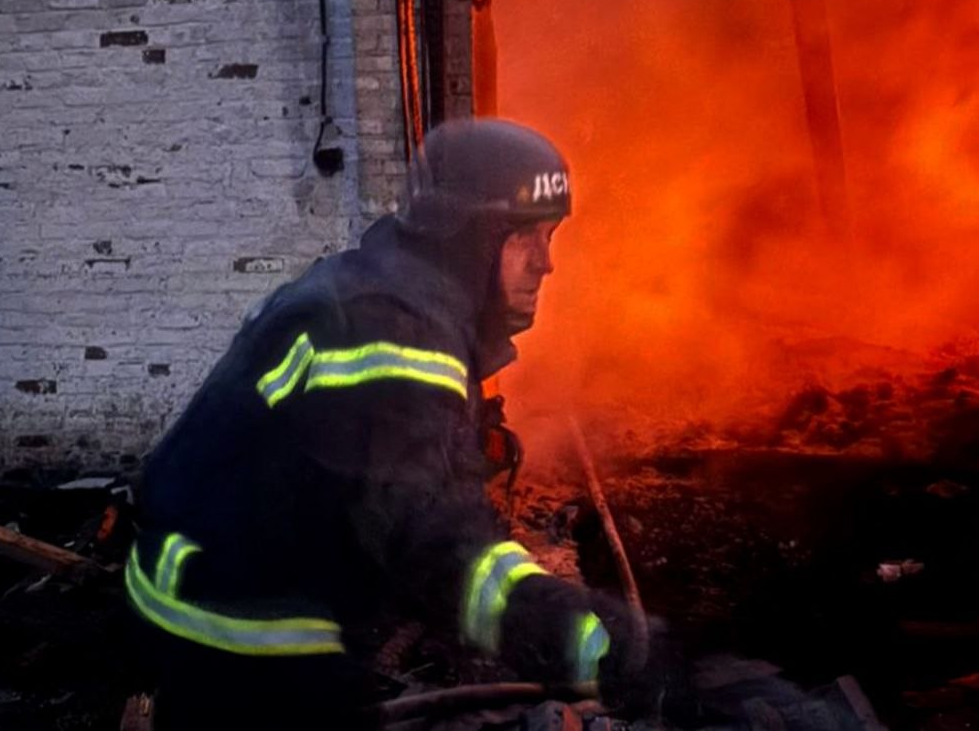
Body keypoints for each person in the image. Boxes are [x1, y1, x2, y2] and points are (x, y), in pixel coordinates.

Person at [125, 118, 645, 728]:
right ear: (472, 238)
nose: (546, 263)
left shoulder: (384, 291)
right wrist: (590, 642)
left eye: (549, 236)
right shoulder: (396, 333)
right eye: (526, 236)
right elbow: (434, 546)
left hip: (211, 572)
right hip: (227, 616)